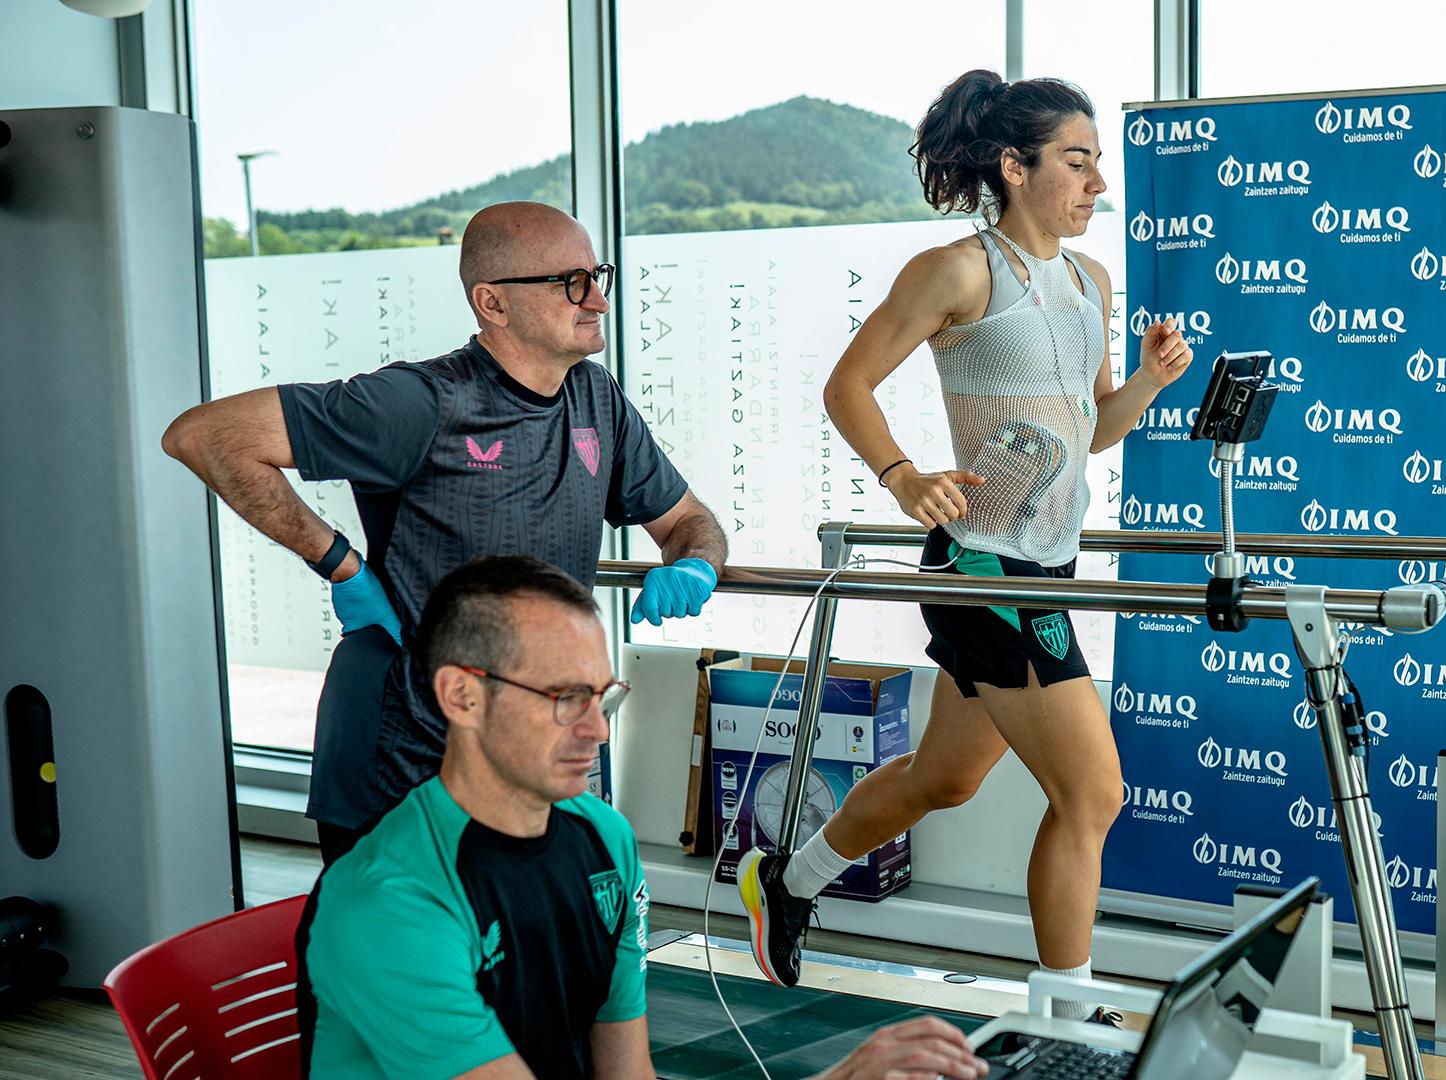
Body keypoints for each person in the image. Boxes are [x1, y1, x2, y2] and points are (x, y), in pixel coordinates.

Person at [739, 70, 1194, 1018]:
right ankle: (1068, 1011)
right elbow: (847, 386)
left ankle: (787, 880)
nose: (1096, 184)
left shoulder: (1089, 283)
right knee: (1092, 794)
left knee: (944, 781)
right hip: (983, 566)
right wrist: (905, 478)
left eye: (1097, 164)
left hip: (1050, 566)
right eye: (1077, 162)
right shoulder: (958, 270)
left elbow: (1093, 428)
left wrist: (1148, 382)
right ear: (1013, 165)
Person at [162, 202, 727, 861]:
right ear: (493, 303)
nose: (598, 300)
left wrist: (696, 565)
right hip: (403, 752)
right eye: (570, 282)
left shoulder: (596, 398)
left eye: (597, 275)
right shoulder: (418, 402)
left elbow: (690, 521)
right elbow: (203, 437)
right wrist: (339, 562)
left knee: (518, 955)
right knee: (408, 957)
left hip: (523, 752)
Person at [296, 555, 989, 1080]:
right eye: (565, 697)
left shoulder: (603, 838)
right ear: (462, 697)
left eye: (602, 694)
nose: (597, 729)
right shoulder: (391, 906)